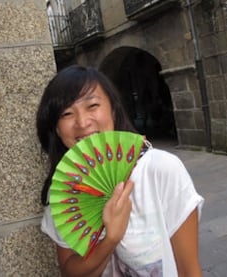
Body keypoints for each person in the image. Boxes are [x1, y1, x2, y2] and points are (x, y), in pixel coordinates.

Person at [36, 65, 204, 277]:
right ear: (56, 129)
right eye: (67, 113)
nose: (82, 122)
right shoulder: (64, 190)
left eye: (92, 105)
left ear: (113, 110)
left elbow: (189, 270)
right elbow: (70, 271)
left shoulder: (161, 170)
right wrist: (111, 239)